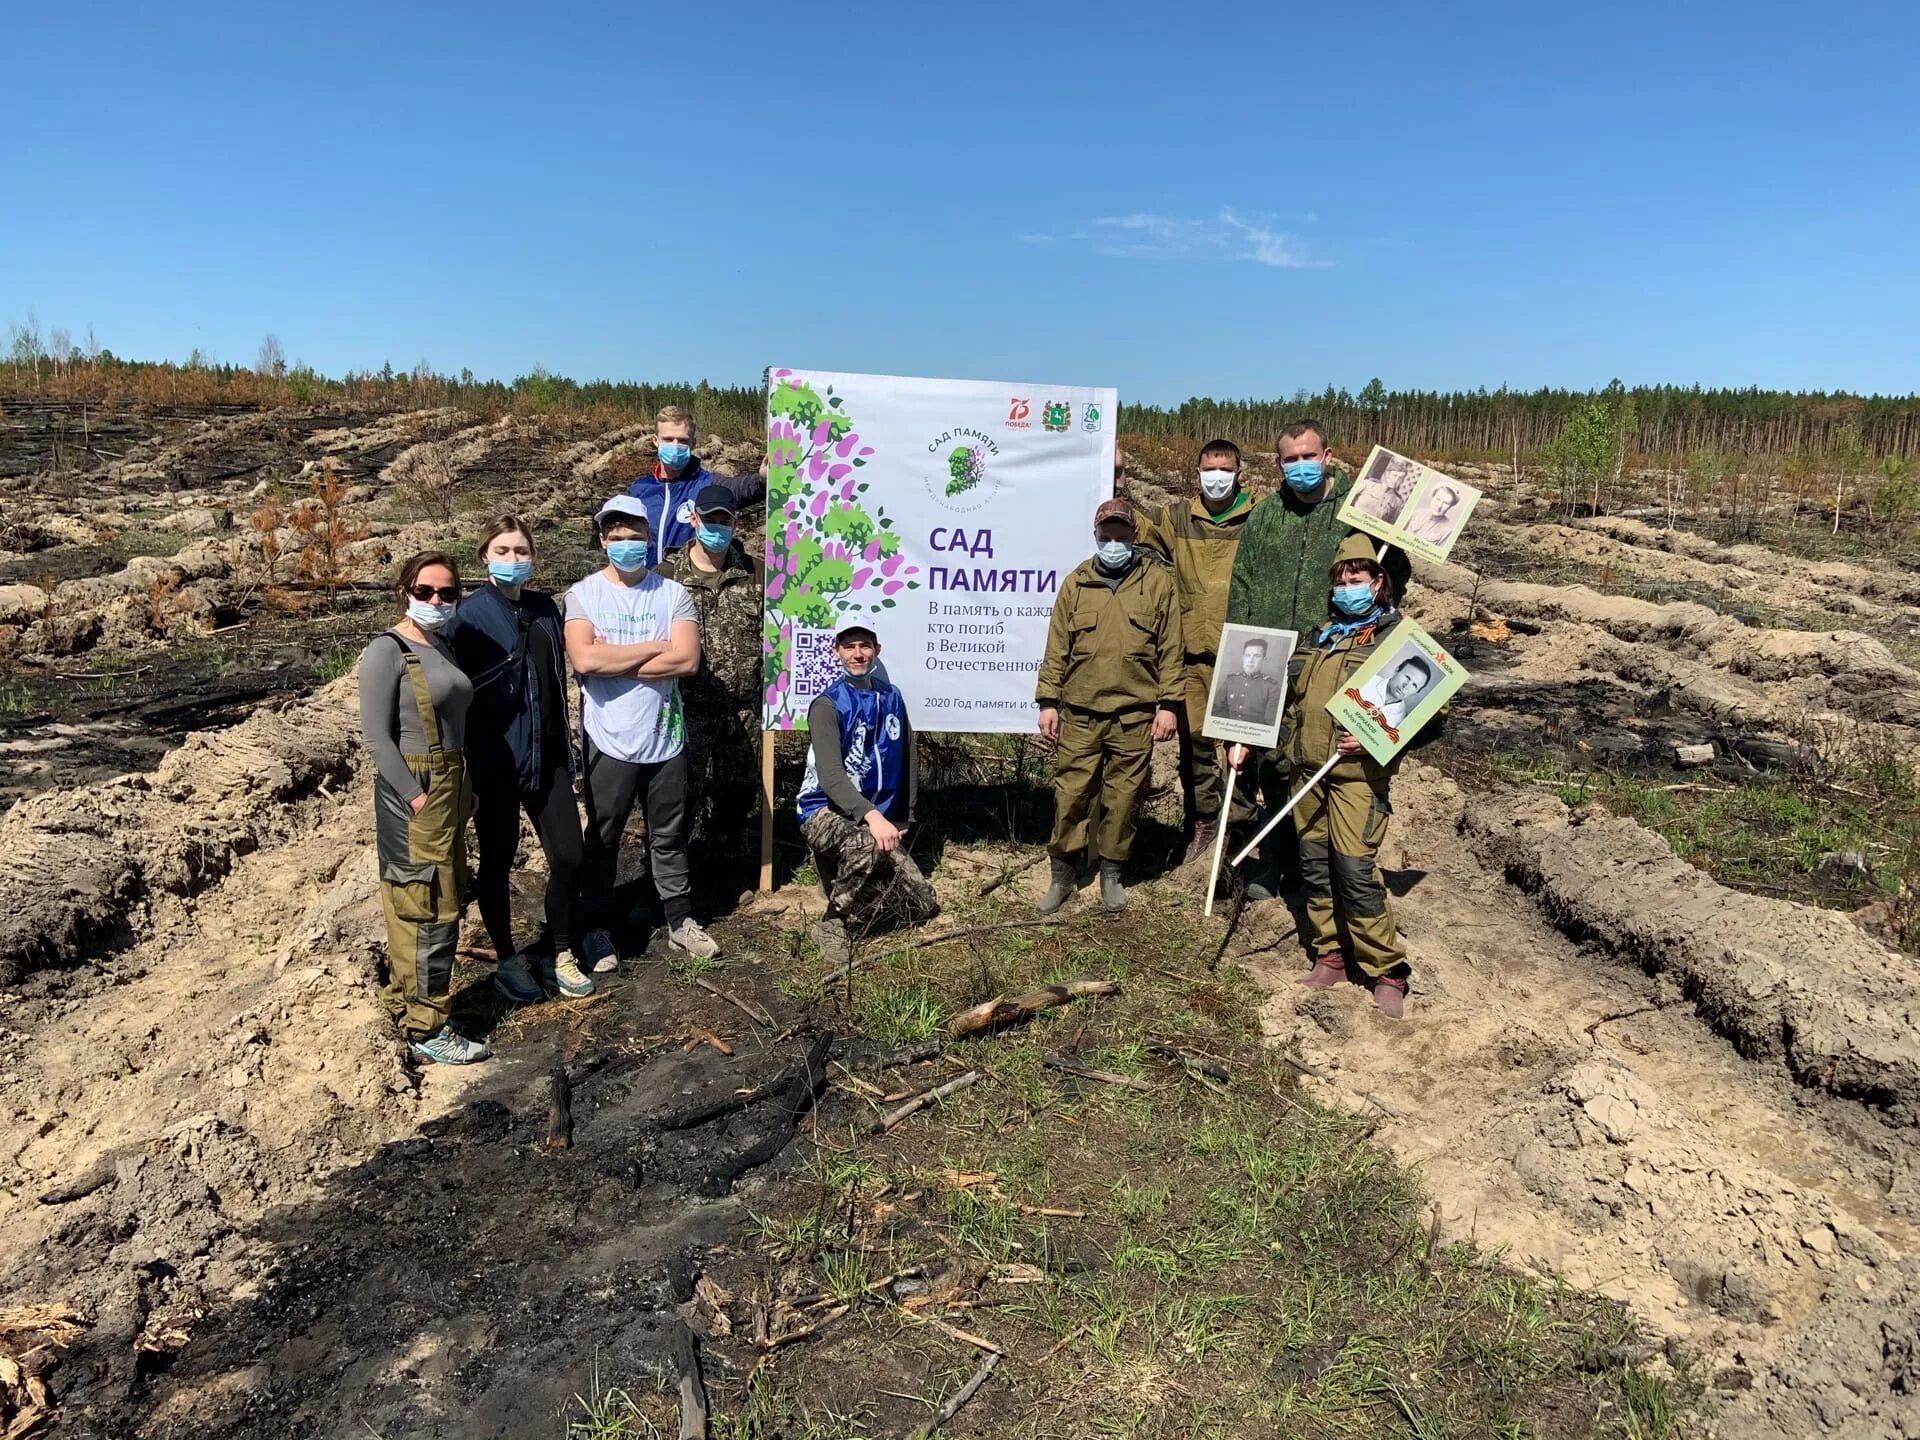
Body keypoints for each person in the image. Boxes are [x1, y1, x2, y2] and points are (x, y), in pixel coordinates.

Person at [1225, 420, 1410, 899]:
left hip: (1333, 657)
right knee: (1272, 763)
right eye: (1291, 459)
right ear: (1278, 463)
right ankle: (1275, 861)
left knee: (1326, 760)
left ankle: (1328, 873)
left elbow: (1391, 576)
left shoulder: (1361, 511)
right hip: (1269, 659)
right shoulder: (1266, 517)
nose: (1301, 466)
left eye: (1309, 456)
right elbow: (1241, 586)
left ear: (1327, 456)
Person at [1281, 534, 1445, 1019]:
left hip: (1356, 777)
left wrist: (1380, 738)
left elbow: (1430, 715)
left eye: (1358, 580)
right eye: (1341, 582)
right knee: (1314, 866)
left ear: (1379, 584)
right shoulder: (1319, 636)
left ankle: (1385, 971)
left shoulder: (1398, 640)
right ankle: (1329, 954)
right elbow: (1294, 700)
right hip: (1307, 772)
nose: (1348, 588)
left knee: (1355, 870)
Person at [443, 516, 594, 1004]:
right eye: (503, 551)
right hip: (497, 760)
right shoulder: (466, 617)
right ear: (484, 555)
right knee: (498, 860)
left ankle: (562, 950)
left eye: (521, 551)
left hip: (548, 756)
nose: (513, 560)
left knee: (570, 855)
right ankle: (508, 957)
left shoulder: (545, 608)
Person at [565, 495, 720, 968]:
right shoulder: (583, 594)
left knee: (668, 833)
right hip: (609, 738)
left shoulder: (673, 594)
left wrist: (619, 659)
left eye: (636, 537)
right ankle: (595, 927)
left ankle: (679, 919)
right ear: (602, 542)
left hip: (665, 737)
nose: (627, 545)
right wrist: (655, 648)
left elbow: (687, 660)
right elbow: (585, 659)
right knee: (605, 835)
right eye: (617, 539)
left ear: (649, 539)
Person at [357, 551, 486, 1065]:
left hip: (449, 783)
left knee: (445, 896)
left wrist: (464, 786)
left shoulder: (442, 645)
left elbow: (455, 724)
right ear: (405, 591)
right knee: (423, 905)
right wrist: (415, 795)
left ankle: (407, 1001)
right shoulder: (386, 651)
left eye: (447, 592)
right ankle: (425, 1025)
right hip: (417, 789)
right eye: (425, 591)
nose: (436, 600)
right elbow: (376, 738)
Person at [1034, 497, 1183, 914]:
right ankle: (1063, 875)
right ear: (1096, 535)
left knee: (1123, 798)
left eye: (1121, 536)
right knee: (1071, 795)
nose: (1113, 542)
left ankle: (1112, 875)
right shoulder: (1076, 583)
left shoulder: (1157, 583)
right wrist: (1048, 701)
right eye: (1106, 535)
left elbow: (1172, 648)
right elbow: (1056, 647)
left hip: (1134, 715)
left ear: (1134, 536)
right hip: (1080, 712)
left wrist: (1169, 704)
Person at [1138, 438, 1260, 863]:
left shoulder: (1258, 519)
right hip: (1192, 655)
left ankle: (1238, 828)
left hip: (1243, 654)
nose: (1217, 477)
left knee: (1241, 746)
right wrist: (1112, 473)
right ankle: (1203, 823)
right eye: (1209, 469)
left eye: (1225, 469)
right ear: (1198, 472)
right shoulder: (1178, 518)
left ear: (1239, 471)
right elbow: (1133, 528)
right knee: (1196, 745)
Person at [796, 624, 939, 965]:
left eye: (864, 646)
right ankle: (832, 923)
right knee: (868, 844)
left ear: (877, 649)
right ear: (837, 651)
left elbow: (907, 753)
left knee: (924, 903)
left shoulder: (892, 696)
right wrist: (873, 818)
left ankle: (848, 880)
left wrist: (905, 812)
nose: (857, 654)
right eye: (849, 647)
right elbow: (831, 777)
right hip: (822, 810)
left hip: (876, 816)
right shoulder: (827, 705)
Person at [659, 484, 765, 850]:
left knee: (739, 791)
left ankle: (724, 865)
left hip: (744, 709)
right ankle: (674, 872)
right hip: (686, 709)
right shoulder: (665, 577)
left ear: (736, 524)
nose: (717, 527)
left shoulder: (757, 573)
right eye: (709, 519)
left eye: (725, 520)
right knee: (680, 795)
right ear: (693, 519)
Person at [624, 404, 766, 567]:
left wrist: (761, 480)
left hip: (688, 584)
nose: (675, 445)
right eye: (668, 439)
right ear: (656, 440)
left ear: (693, 443)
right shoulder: (638, 489)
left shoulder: (707, 484)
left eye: (683, 441)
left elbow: (740, 488)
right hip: (647, 585)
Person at [1213, 636, 1282, 726]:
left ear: (1264, 660)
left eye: (1256, 656)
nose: (1251, 660)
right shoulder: (1230, 680)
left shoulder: (1272, 687)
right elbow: (1216, 711)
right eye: (1248, 655)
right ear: (1243, 657)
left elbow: (1270, 723)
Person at [1362, 653, 1437, 726]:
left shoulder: (1402, 720)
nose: (1406, 686)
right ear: (1397, 670)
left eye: (1414, 685)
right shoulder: (1366, 680)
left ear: (1417, 691)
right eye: (1407, 677)